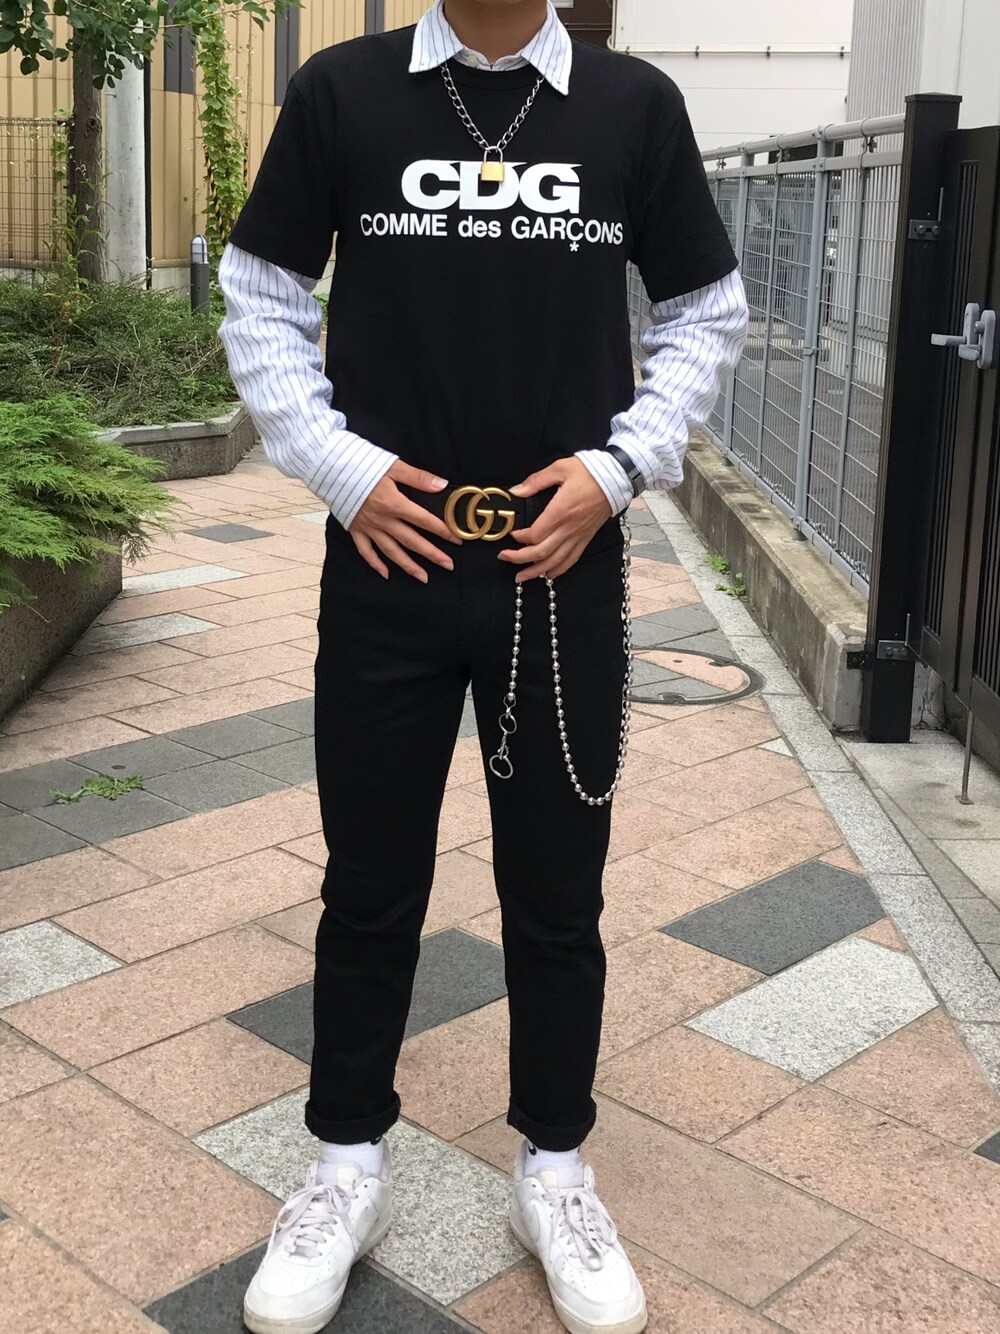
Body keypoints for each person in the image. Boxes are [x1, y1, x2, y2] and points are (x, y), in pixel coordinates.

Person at [219, 1, 748, 1330]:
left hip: (559, 569)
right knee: (369, 883)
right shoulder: (343, 92)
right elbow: (261, 293)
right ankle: (345, 1163)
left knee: (558, 893)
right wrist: (340, 468)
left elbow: (706, 309)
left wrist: (617, 470)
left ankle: (554, 1168)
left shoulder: (632, 106)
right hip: (388, 560)